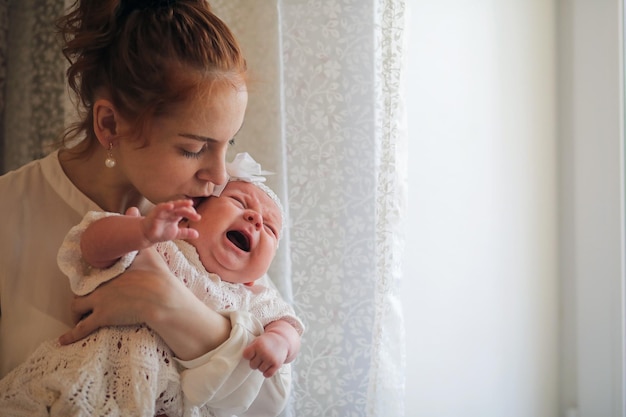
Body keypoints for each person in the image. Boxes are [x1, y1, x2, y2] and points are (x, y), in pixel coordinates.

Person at [0, 0, 289, 415]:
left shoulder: (214, 213)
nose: (220, 174)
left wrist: (163, 301)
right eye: (194, 148)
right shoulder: (9, 209)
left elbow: (271, 401)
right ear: (110, 126)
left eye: (231, 143)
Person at [0, 157, 304, 416]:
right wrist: (140, 232)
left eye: (270, 228)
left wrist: (278, 342)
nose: (254, 219)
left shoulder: (252, 294)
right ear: (190, 217)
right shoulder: (165, 242)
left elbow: (288, 328)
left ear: (258, 274)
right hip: (91, 371)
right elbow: (90, 245)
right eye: (239, 202)